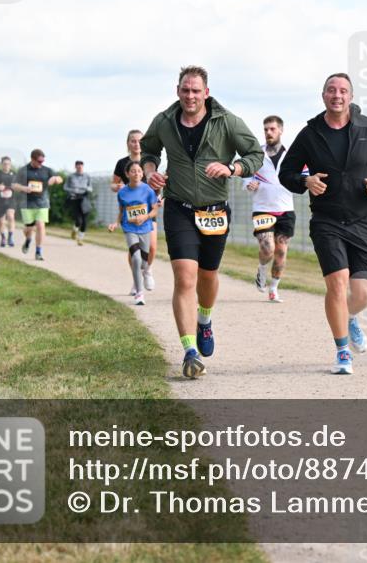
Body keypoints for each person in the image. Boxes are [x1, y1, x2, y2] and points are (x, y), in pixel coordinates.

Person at [140, 65, 263, 379]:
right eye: (185, 90)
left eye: (196, 91)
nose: (190, 96)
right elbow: (149, 150)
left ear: (206, 93)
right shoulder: (164, 121)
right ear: (177, 90)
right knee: (185, 278)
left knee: (208, 277)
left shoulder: (227, 122)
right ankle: (189, 351)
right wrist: (150, 170)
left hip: (214, 212)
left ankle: (204, 320)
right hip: (178, 208)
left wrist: (232, 169)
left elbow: (254, 154)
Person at [279, 73, 367, 375]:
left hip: (362, 220)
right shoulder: (310, 133)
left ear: (351, 96)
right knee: (338, 282)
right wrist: (306, 180)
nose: (337, 95)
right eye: (331, 90)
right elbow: (287, 172)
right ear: (323, 96)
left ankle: (350, 317)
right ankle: (342, 351)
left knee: (362, 293)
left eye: (343, 90)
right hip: (327, 220)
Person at [243, 115, 296, 303]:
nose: (268, 133)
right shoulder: (257, 154)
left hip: (285, 209)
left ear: (281, 130)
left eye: (272, 129)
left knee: (281, 252)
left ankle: (273, 288)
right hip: (262, 208)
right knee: (268, 248)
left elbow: (303, 175)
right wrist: (248, 184)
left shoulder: (292, 154)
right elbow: (246, 173)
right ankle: (262, 269)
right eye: (266, 129)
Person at [107, 161, 160, 306]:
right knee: (135, 259)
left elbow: (155, 210)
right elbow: (122, 211)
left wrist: (145, 217)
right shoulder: (122, 192)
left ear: (142, 174)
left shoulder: (148, 190)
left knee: (143, 262)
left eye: (139, 171)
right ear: (127, 174)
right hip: (129, 228)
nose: (136, 173)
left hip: (145, 228)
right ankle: (139, 293)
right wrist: (115, 223)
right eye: (133, 171)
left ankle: (142, 276)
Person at [113, 129, 157, 289]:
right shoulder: (122, 163)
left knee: (151, 246)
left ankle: (147, 271)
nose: (137, 144)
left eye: (140, 140)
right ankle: (136, 279)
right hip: (130, 212)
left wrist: (160, 197)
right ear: (128, 143)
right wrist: (119, 186)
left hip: (149, 209)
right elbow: (113, 184)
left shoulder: (149, 162)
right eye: (133, 141)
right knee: (135, 248)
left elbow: (157, 182)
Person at [13, 149, 63, 261]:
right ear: (32, 159)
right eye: (39, 161)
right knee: (28, 229)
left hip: (42, 202)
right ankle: (28, 240)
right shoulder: (23, 170)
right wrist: (23, 188)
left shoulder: (47, 170)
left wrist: (55, 179)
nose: (41, 163)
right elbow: (14, 185)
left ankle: (38, 251)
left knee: (40, 225)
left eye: (43, 161)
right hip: (27, 203)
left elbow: (60, 179)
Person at [65, 160, 93, 246]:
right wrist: (73, 190)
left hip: (84, 198)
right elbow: (65, 187)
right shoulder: (71, 176)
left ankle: (80, 239)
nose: (79, 168)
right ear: (75, 167)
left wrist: (86, 189)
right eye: (78, 166)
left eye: (81, 166)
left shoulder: (87, 176)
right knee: (78, 220)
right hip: (74, 198)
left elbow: (91, 188)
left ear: (83, 167)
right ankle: (74, 230)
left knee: (84, 221)